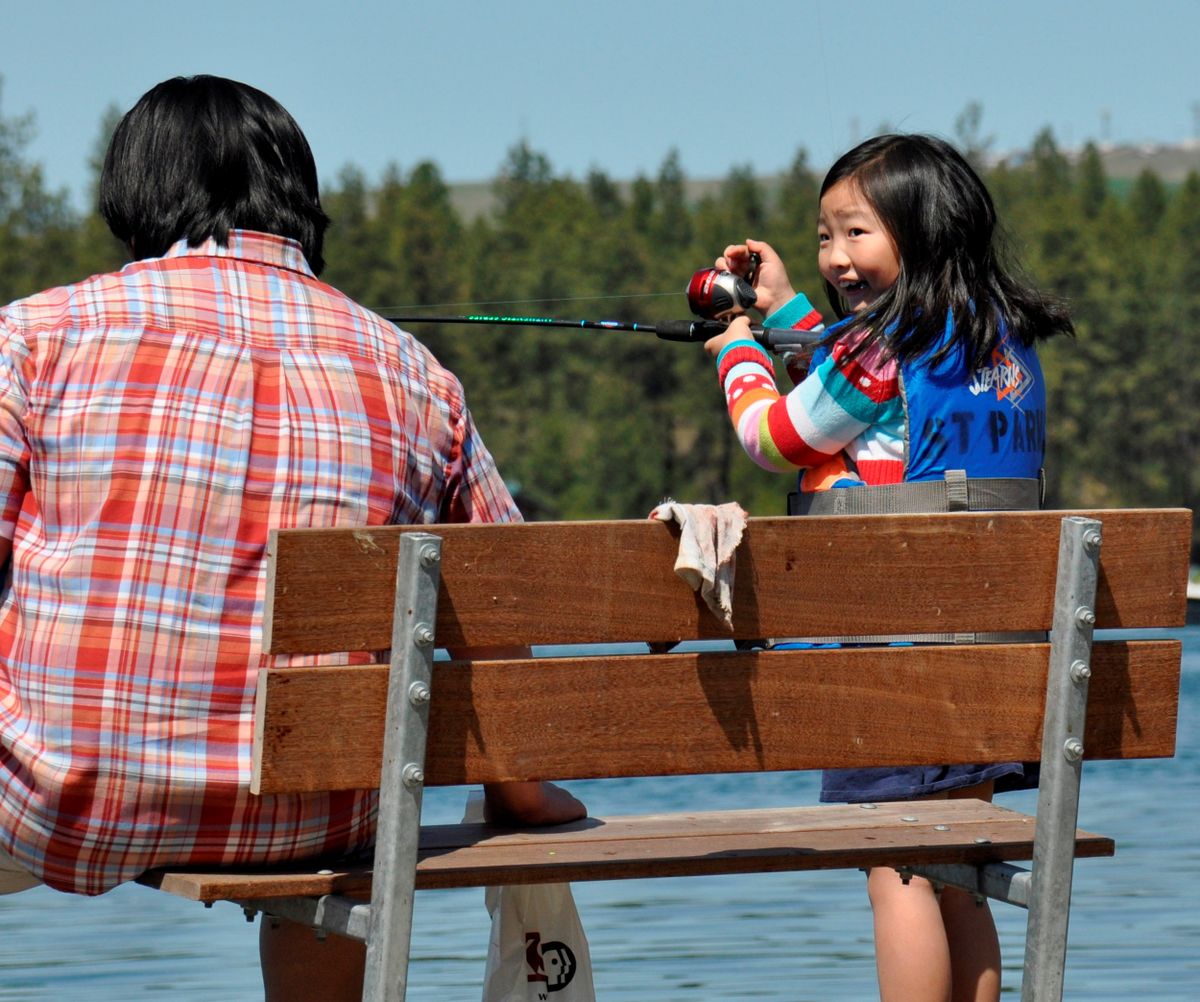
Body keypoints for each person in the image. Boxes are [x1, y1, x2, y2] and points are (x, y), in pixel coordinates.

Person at [0, 75, 584, 1000]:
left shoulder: (32, 338)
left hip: (65, 799)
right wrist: (520, 793)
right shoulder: (415, 374)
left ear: (133, 197)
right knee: (340, 786)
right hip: (318, 815)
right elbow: (499, 607)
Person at [703, 134, 1074, 1002]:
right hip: (992, 662)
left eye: (856, 234)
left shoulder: (880, 349)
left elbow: (779, 434)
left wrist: (736, 348)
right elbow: (860, 400)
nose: (836, 257)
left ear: (924, 232)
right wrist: (790, 306)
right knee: (956, 865)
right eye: (825, 236)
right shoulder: (997, 345)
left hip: (895, 662)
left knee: (894, 867)